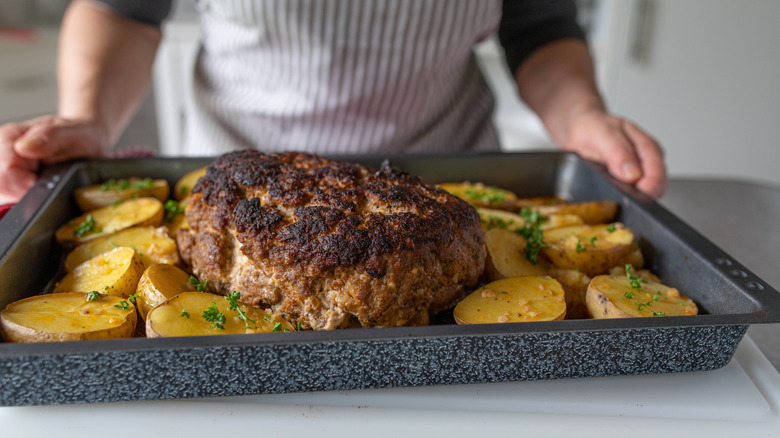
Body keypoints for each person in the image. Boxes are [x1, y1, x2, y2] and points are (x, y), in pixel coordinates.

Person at [0, 0, 666, 204]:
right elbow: (125, 11)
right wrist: (85, 114)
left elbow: (539, 28)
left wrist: (582, 117)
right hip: (237, 182)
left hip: (448, 179)